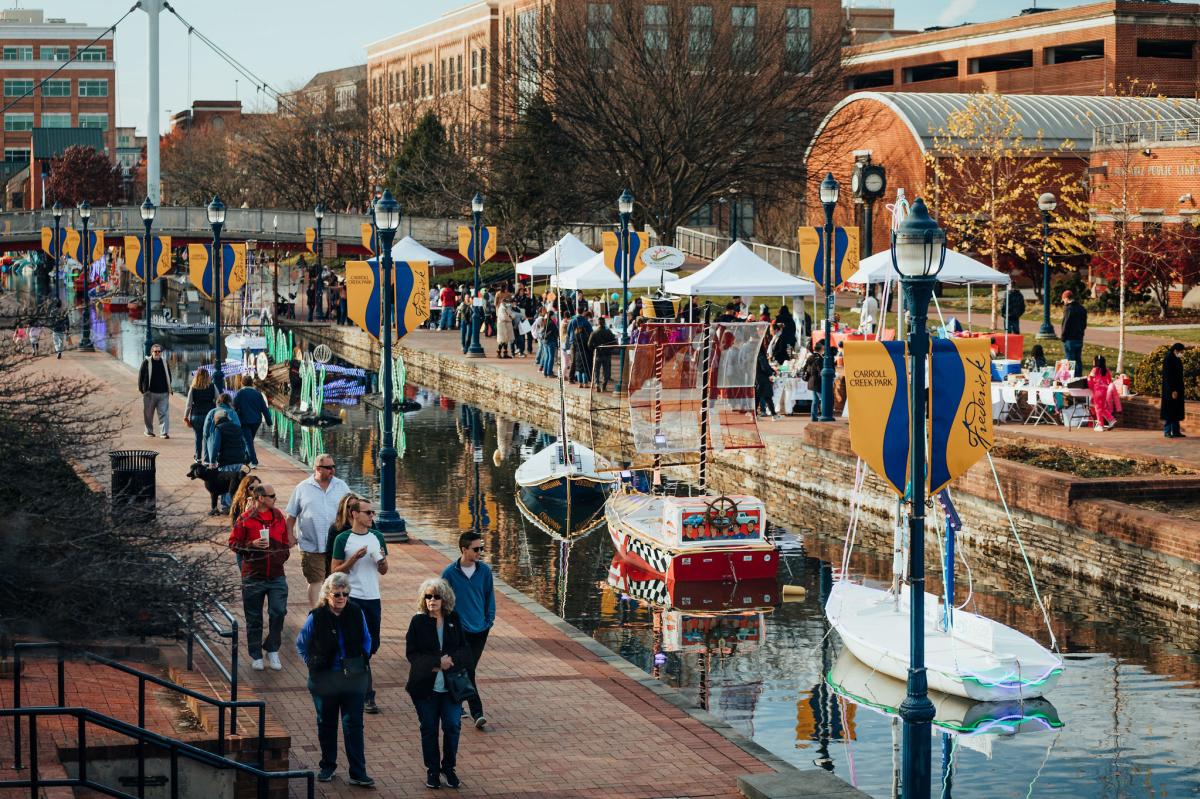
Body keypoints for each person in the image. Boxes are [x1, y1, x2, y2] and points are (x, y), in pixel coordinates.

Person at [296, 573, 375, 787]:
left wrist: (360, 659)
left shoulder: (356, 612)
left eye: (345, 594)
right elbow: (301, 644)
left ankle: (358, 772)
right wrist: (313, 664)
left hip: (353, 678)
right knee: (327, 724)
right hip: (325, 679)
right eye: (337, 594)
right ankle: (327, 766)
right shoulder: (317, 616)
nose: (341, 598)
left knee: (354, 725)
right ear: (328, 595)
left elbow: (367, 639)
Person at [405, 578, 472, 790]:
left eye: (436, 597)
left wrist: (449, 661)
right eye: (428, 596)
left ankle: (449, 768)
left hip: (451, 687)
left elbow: (464, 649)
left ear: (445, 599)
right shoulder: (418, 622)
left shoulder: (454, 619)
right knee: (429, 729)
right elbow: (412, 654)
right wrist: (436, 662)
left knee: (453, 726)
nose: (432, 600)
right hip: (426, 688)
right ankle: (433, 770)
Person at [331, 498, 389, 714]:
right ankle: (367, 695)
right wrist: (354, 559)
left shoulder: (378, 537)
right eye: (368, 512)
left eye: (373, 512)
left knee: (372, 646)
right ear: (354, 514)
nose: (371, 516)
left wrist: (382, 563)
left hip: (373, 598)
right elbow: (335, 571)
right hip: (352, 599)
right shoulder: (342, 539)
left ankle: (350, 679)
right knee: (359, 646)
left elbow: (384, 571)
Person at [228, 484, 293, 671]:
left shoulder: (278, 516)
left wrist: (282, 555)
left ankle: (272, 649)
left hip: (276, 576)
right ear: (261, 498)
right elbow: (233, 543)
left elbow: (284, 541)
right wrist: (252, 544)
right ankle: (255, 654)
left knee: (278, 612)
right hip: (253, 576)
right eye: (272, 496)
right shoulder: (245, 518)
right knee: (254, 617)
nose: (275, 498)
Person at [440, 532, 494, 729]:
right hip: (459, 631)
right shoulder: (449, 573)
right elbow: (441, 601)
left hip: (481, 630)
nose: (480, 552)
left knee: (465, 669)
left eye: (481, 548)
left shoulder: (485, 571)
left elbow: (489, 597)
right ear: (464, 549)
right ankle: (477, 712)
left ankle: (456, 701)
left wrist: (489, 621)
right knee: (468, 669)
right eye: (476, 549)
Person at [286, 454, 351, 607]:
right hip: (311, 545)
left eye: (333, 467)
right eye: (328, 468)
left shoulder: (341, 486)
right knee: (315, 581)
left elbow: (352, 510)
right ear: (317, 468)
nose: (332, 471)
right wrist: (289, 535)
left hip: (336, 545)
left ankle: (334, 612)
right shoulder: (302, 488)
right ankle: (316, 614)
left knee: (335, 581)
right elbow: (291, 515)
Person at [205, 409, 249, 511]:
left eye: (215, 419)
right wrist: (246, 459)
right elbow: (243, 444)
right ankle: (238, 504)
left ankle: (228, 507)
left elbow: (215, 446)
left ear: (217, 419)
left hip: (226, 461)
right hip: (239, 460)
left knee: (226, 483)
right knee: (237, 483)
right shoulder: (237, 428)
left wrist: (212, 461)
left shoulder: (219, 429)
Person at [233, 377, 273, 467]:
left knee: (248, 441)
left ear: (242, 383)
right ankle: (246, 460)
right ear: (252, 384)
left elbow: (234, 405)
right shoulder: (258, 394)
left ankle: (254, 461)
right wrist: (269, 421)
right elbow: (264, 408)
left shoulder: (240, 393)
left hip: (244, 421)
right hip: (256, 421)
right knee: (249, 440)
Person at [137, 344, 173, 438]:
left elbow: (169, 375)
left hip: (163, 393)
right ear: (151, 352)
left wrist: (168, 388)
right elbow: (140, 377)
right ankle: (149, 431)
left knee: (164, 414)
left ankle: (164, 433)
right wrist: (143, 390)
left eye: (159, 351)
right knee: (148, 414)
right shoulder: (146, 362)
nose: (157, 353)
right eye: (155, 351)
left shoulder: (164, 362)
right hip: (150, 393)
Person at [184, 369, 219, 462]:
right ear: (208, 376)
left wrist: (185, 417)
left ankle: (198, 457)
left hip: (196, 415)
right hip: (209, 415)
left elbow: (189, 405)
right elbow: (218, 400)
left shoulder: (193, 388)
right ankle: (207, 459)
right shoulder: (212, 386)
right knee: (208, 437)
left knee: (198, 436)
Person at [1059, 290, 1088, 378]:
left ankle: (1071, 378)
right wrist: (1080, 332)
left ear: (1066, 299)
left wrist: (1063, 337)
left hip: (1070, 339)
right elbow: (1084, 324)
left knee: (1070, 360)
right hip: (1079, 337)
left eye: (1063, 300)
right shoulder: (1082, 308)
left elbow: (1065, 324)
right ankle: (1078, 378)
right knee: (1078, 359)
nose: (1063, 302)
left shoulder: (1068, 309)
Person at [1161, 343, 1186, 438]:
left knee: (1176, 410)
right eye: (1181, 352)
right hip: (1170, 390)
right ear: (1176, 350)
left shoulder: (1177, 359)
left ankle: (1176, 431)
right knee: (1170, 410)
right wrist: (1173, 390)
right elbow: (1168, 376)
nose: (1182, 353)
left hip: (1178, 388)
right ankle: (1167, 431)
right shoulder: (1169, 359)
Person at [1087, 355, 1118, 431]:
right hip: (1105, 390)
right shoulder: (1106, 370)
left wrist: (1091, 388)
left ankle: (1100, 425)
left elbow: (1090, 380)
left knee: (1098, 408)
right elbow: (1110, 381)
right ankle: (1111, 420)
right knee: (1102, 407)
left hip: (1097, 390)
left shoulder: (1094, 370)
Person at [589, 317, 617, 391]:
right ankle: (604, 385)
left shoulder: (594, 333)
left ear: (598, 323)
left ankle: (597, 384)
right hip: (607, 354)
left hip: (598, 354)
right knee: (606, 371)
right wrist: (610, 349)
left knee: (596, 371)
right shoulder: (609, 332)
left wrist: (595, 349)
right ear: (604, 323)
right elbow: (615, 342)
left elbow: (589, 344)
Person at [755, 336, 777, 418]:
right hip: (763, 378)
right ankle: (774, 415)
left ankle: (755, 415)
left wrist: (772, 370)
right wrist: (770, 373)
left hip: (757, 377)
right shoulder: (761, 354)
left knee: (757, 397)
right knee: (768, 396)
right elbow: (764, 366)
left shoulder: (755, 353)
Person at [804, 340, 825, 420]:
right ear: (821, 349)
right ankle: (824, 415)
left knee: (815, 400)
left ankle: (813, 416)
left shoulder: (810, 357)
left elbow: (805, 368)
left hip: (811, 381)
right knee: (823, 399)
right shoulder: (819, 358)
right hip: (817, 381)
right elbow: (820, 371)